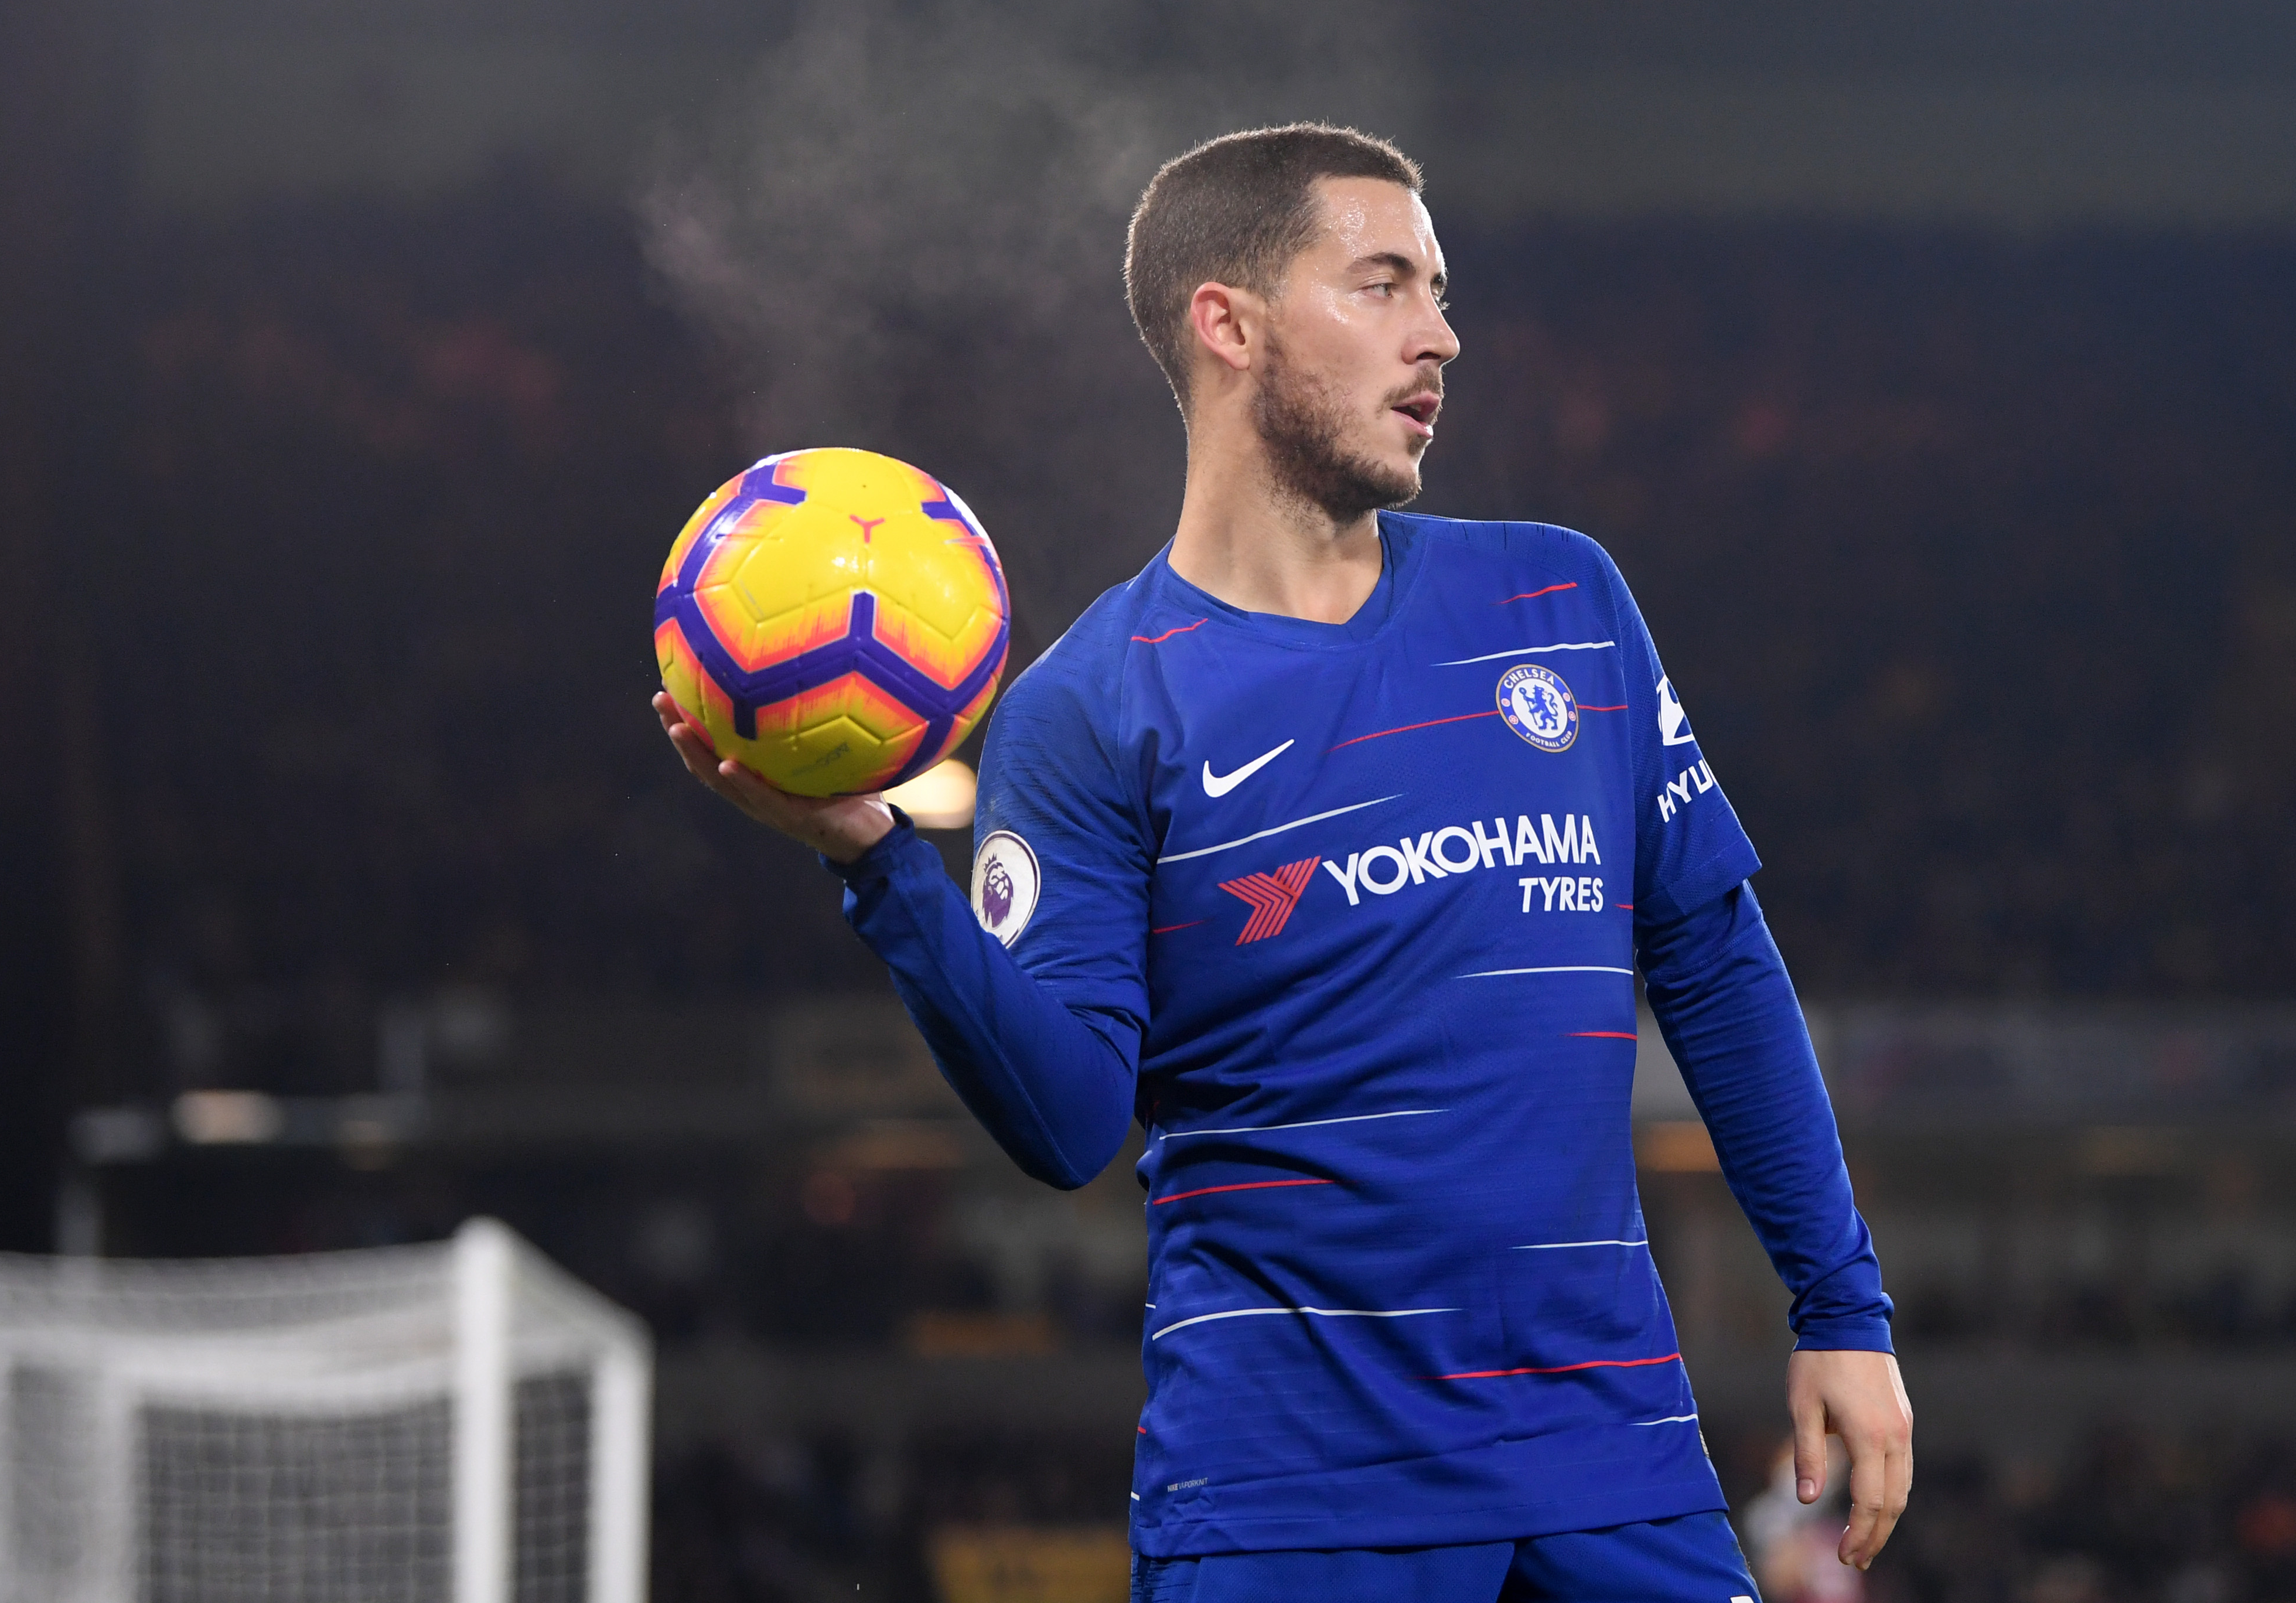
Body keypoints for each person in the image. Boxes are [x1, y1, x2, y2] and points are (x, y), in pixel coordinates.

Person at [657, 124, 1912, 1602]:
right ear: (1228, 325)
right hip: (1288, 1507)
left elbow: (1714, 963)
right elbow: (1068, 1127)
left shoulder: (1562, 601)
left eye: (1438, 289)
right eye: (1382, 284)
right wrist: (880, 867)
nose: (1440, 334)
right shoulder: (1090, 710)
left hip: (1615, 1468)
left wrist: (1843, 1305)